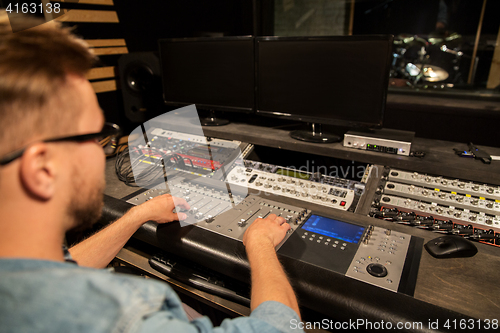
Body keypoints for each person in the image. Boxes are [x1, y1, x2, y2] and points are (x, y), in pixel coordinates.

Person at [0, 11, 302, 332]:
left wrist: (138, 214)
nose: (105, 144)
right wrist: (260, 244)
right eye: (94, 134)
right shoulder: (126, 317)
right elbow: (282, 327)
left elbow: (62, 267)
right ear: (42, 169)